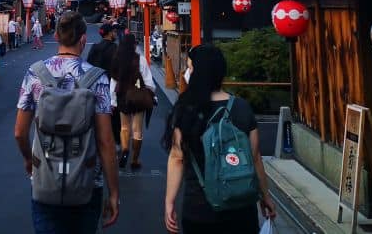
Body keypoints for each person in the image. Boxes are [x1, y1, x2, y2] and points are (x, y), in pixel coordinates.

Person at [15, 10, 119, 233]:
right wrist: (114, 192)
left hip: (45, 180)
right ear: (83, 39)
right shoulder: (97, 77)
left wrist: (28, 160)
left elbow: (19, 133)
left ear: (55, 36)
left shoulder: (35, 74)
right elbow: (106, 142)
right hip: (87, 182)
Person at [162, 44, 276, 233]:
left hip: (199, 211)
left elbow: (177, 158)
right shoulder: (242, 108)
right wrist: (266, 197)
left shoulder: (186, 110)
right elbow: (255, 158)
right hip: (241, 209)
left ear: (199, 73)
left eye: (190, 68)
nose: (187, 72)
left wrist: (169, 202)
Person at [111, 32, 156, 171]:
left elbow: (114, 81)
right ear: (134, 45)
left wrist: (112, 100)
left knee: (124, 127)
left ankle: (125, 149)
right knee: (137, 130)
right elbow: (148, 80)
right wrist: (152, 94)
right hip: (138, 96)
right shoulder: (140, 59)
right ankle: (135, 160)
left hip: (122, 96)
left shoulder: (117, 59)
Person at [86, 22, 122, 147]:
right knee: (113, 117)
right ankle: (115, 142)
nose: (115, 34)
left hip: (95, 86)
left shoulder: (94, 47)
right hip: (111, 86)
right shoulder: (115, 48)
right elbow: (118, 69)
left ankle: (96, 142)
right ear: (109, 33)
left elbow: (88, 67)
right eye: (114, 32)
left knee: (96, 115)